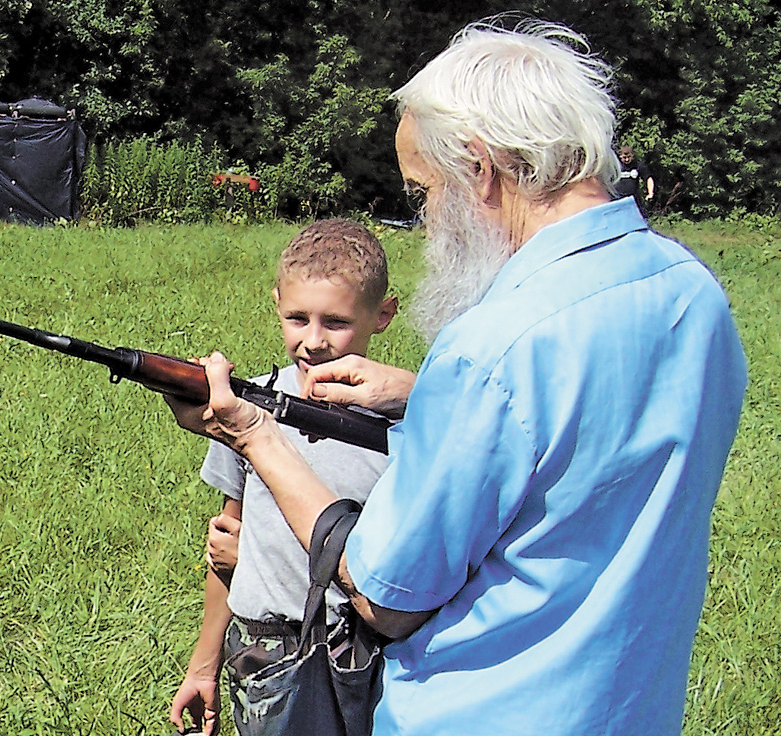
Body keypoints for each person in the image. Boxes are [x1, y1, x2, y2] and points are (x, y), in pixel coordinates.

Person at [165, 18, 747, 736]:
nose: (428, 219)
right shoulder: (692, 295)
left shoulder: (493, 348)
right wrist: (424, 398)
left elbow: (387, 595)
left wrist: (256, 435)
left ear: (481, 167)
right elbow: (583, 446)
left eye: (423, 191)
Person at [168, 218, 398, 736]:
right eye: (297, 318)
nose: (312, 341)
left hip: (360, 652)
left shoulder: (400, 425)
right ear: (276, 304)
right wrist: (203, 666)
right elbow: (224, 549)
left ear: (382, 315)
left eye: (335, 322)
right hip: (264, 652)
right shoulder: (244, 407)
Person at [615, 144, 656, 210]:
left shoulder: (637, 165)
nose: (627, 159)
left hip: (633, 200)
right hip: (617, 199)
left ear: (632, 155)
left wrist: (650, 193)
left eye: (629, 157)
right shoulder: (615, 166)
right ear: (620, 156)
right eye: (624, 158)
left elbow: (648, 178)